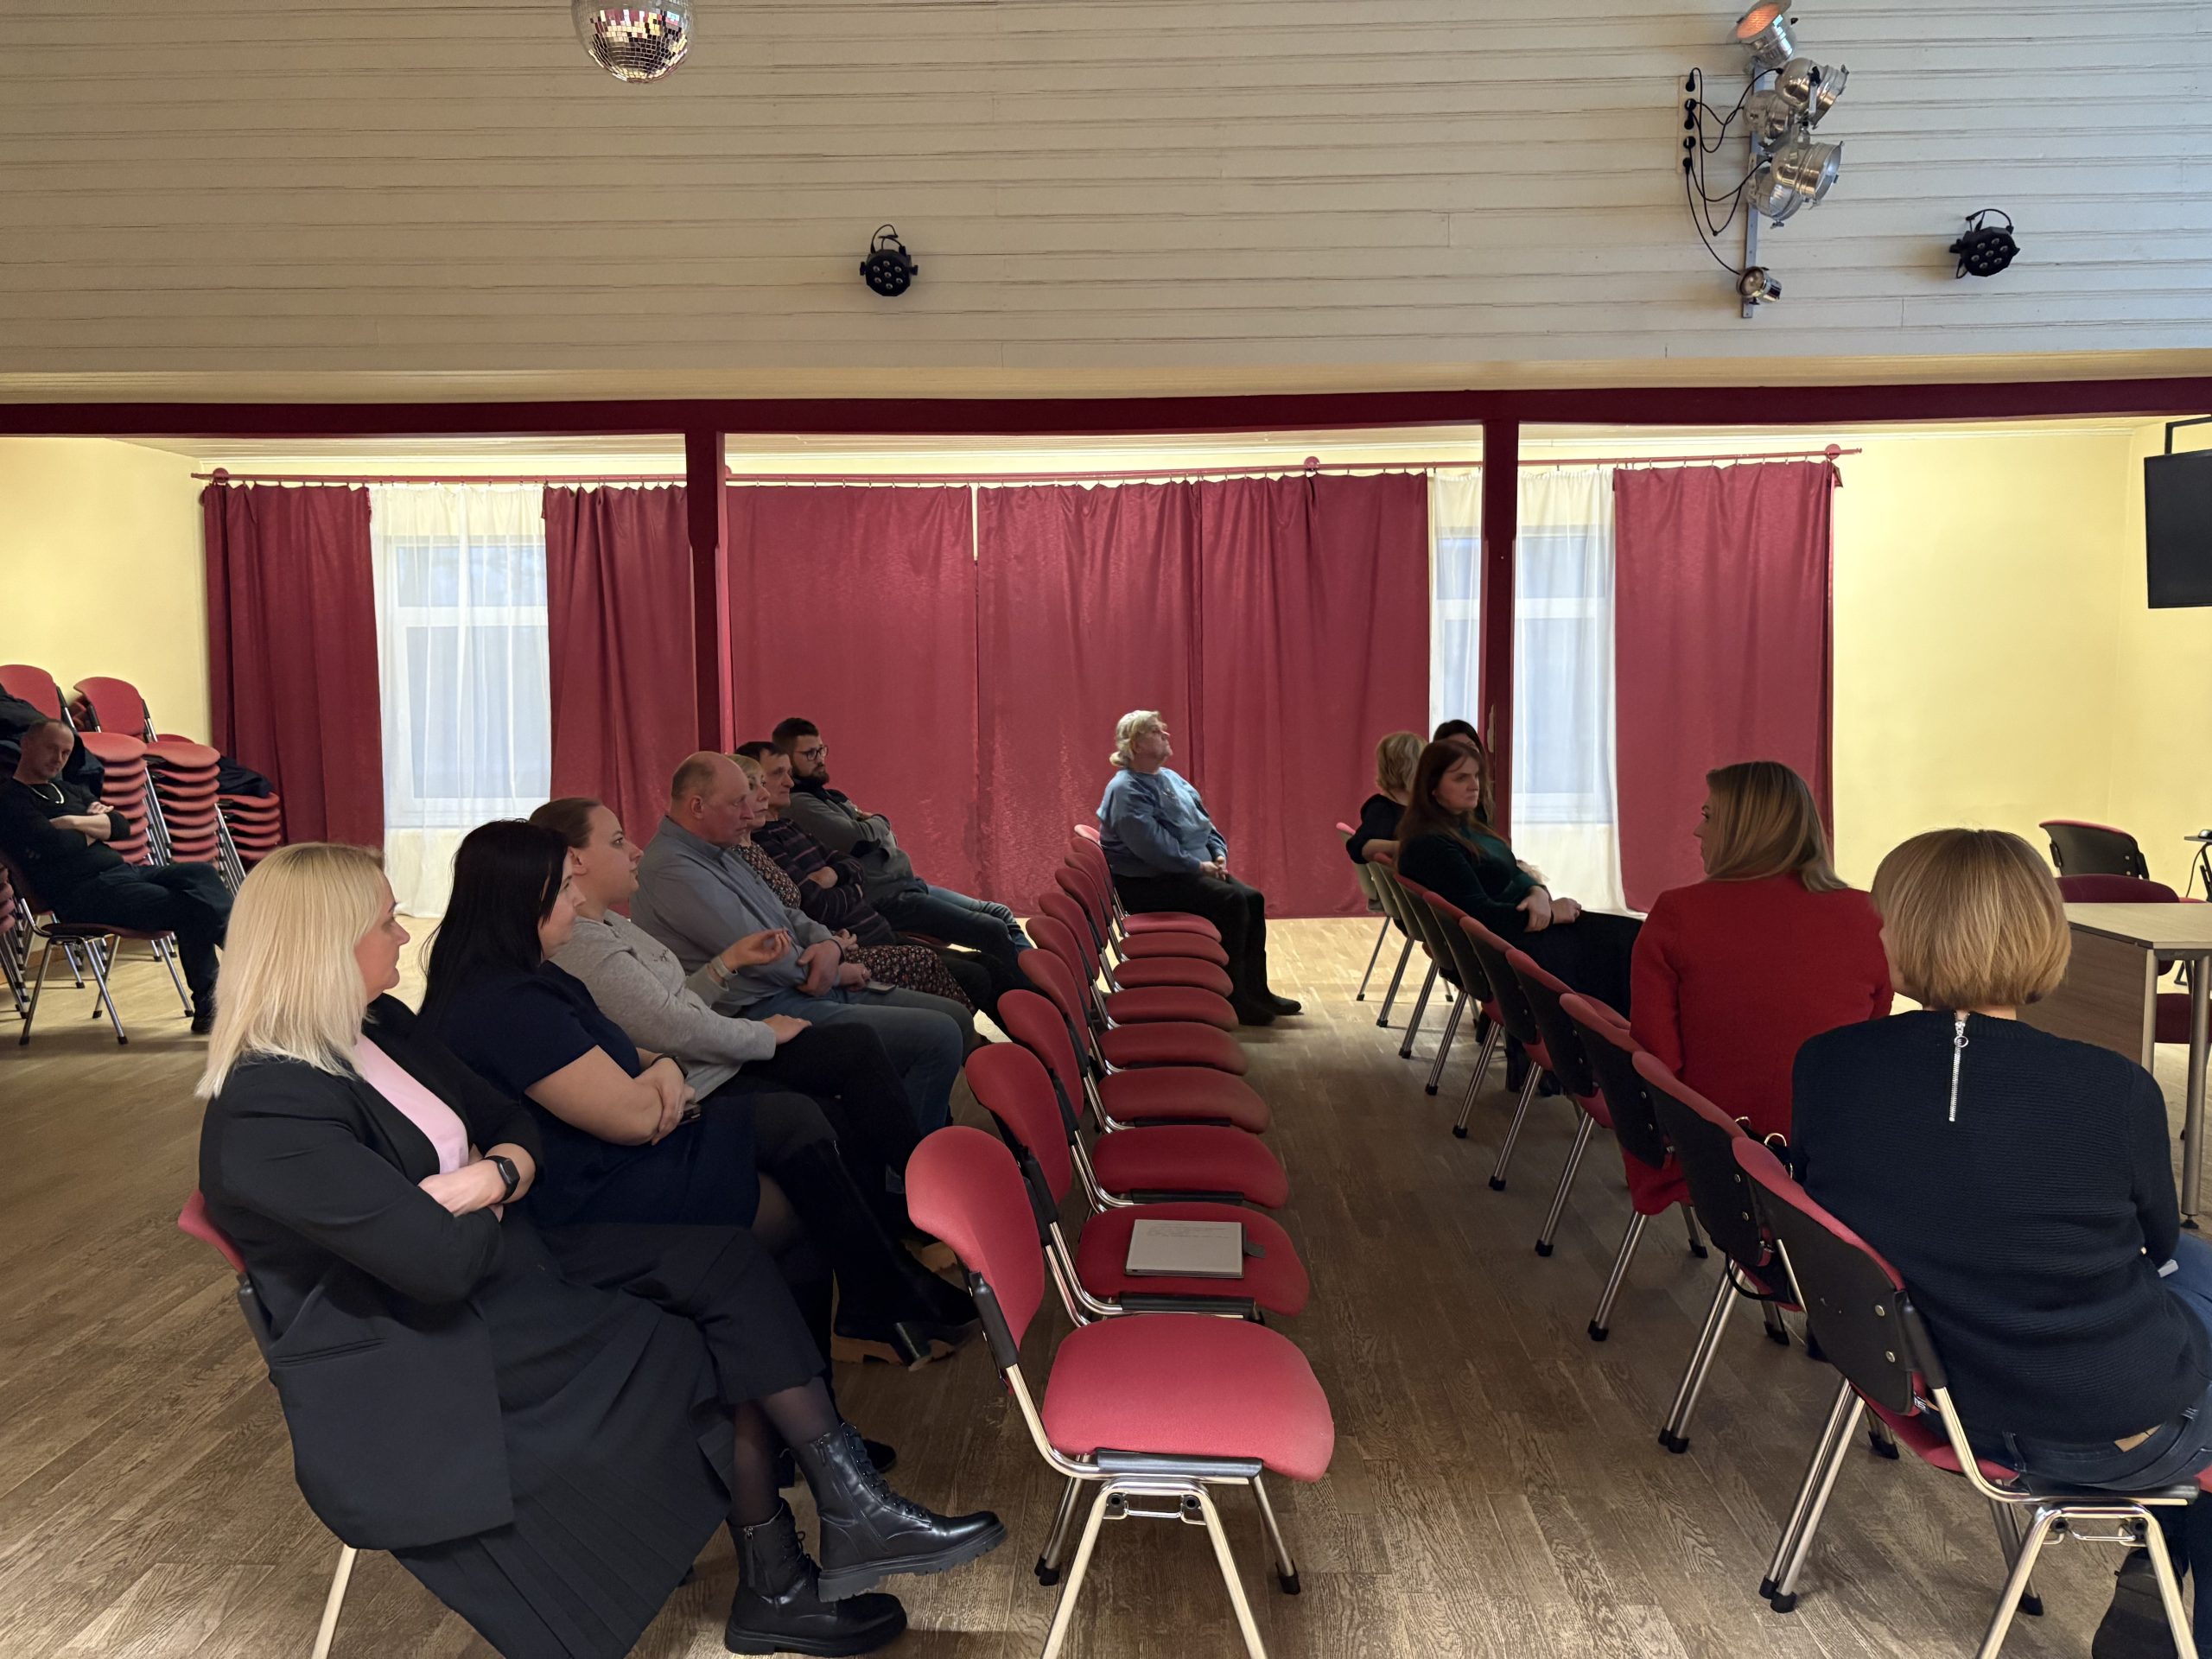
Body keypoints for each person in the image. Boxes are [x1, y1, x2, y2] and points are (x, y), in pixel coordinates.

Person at [197, 843, 1003, 1659]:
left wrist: (490, 1177)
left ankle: (835, 1522)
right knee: (718, 1326)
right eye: (384, 923)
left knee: (732, 1262)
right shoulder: (272, 1110)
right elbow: (437, 1265)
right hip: (432, 1339)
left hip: (506, 1263)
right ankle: (788, 1572)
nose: (404, 938)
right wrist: (499, 1182)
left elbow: (509, 1123)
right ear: (324, 946)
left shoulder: (381, 1025)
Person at [1792, 828, 2212, 1659]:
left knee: (2197, 1268)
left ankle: (2156, 1572)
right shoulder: (2115, 1090)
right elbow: (2156, 1241)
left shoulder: (1827, 1064)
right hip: (2090, 1425)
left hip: (1931, 1389)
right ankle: (2166, 1585)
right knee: (2192, 1266)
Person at [420, 818, 980, 1367]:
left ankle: (873, 1303)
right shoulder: (515, 999)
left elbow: (642, 1042)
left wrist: (671, 1055)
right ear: (523, 901)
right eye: (565, 888)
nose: (578, 898)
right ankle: (878, 1295)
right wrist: (690, 1062)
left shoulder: (538, 971)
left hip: (630, 1132)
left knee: (811, 1126)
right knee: (802, 1132)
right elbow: (642, 1098)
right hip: (594, 1177)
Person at [632, 752, 968, 1133]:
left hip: (798, 984)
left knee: (954, 1018)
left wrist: (828, 945)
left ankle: (910, 1140)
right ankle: (907, 1163)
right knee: (939, 1036)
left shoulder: (719, 846)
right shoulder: (671, 867)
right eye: (738, 802)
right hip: (757, 1007)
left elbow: (788, 913)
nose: (748, 812)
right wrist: (835, 970)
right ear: (697, 806)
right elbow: (763, 953)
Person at [1630, 760, 1890, 1140]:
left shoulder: (1678, 913)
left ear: (1745, 828)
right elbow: (1871, 1042)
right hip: (1834, 1147)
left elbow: (1656, 1058)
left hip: (1711, 1145)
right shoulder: (1871, 916)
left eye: (1709, 816)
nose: (1698, 830)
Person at [735, 739, 1002, 1019]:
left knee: (991, 944)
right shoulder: (774, 831)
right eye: (775, 774)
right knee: (981, 958)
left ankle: (1028, 1029)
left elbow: (853, 866)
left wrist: (836, 874)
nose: (789, 782)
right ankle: (992, 1039)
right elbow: (817, 901)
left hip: (881, 921)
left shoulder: (795, 821)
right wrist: (852, 880)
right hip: (865, 934)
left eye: (821, 750)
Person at [0, 717, 230, 1032]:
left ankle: (239, 951)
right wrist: (97, 826)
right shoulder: (10, 799)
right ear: (26, 745)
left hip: (123, 873)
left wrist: (73, 822)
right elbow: (56, 844)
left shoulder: (67, 790)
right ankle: (215, 1002)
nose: (58, 759)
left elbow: (121, 826)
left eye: (65, 753)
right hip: (83, 894)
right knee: (190, 907)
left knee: (200, 873)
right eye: (51, 749)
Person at [770, 717, 1033, 983]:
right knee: (992, 929)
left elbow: (877, 837)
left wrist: (872, 829)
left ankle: (1040, 982)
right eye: (810, 754)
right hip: (887, 898)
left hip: (905, 883)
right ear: (788, 760)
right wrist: (880, 821)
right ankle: (1032, 999)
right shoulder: (800, 804)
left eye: (822, 750)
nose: (820, 759)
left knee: (1000, 913)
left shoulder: (829, 797)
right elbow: (857, 839)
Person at [1395, 736, 1641, 1014]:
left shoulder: (1465, 827)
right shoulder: (1431, 844)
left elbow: (1515, 869)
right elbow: (1480, 916)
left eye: (1475, 775)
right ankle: (1625, 1037)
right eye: (1461, 778)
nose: (1474, 784)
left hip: (1516, 934)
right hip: (1505, 951)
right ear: (1432, 788)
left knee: (1633, 937)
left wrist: (1537, 893)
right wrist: (1550, 914)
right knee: (1627, 946)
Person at [1094, 709, 1299, 1028]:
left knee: (1253, 898)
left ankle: (1257, 990)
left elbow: (1204, 823)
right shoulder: (1126, 789)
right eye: (1156, 731)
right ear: (1135, 744)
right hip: (1148, 883)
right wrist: (1199, 866)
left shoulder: (1170, 777)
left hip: (1187, 871)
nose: (1166, 734)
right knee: (1232, 902)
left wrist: (1218, 854)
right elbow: (1153, 847)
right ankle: (1233, 997)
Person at [1345, 730, 1426, 866]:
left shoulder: (1419, 808)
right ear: (1410, 770)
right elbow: (1358, 846)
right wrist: (1401, 847)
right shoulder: (1383, 809)